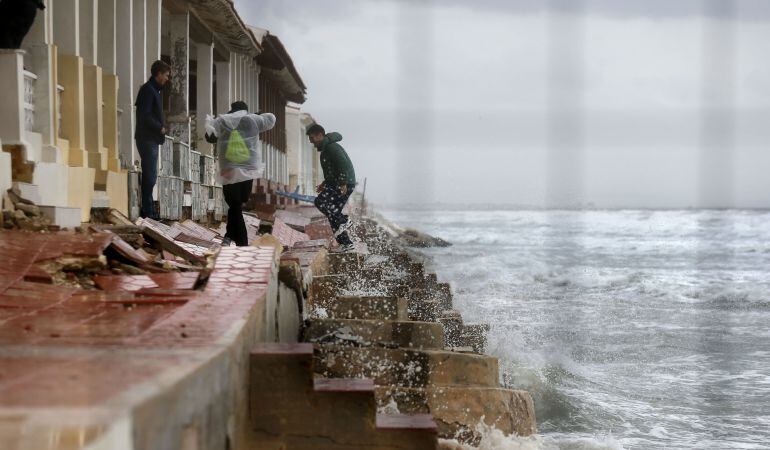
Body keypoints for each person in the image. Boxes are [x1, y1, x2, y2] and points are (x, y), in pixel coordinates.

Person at [205, 101, 275, 247]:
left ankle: (231, 236)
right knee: (238, 204)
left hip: (228, 170)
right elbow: (271, 119)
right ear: (246, 110)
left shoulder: (222, 121)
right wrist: (257, 115)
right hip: (248, 170)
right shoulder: (252, 120)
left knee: (234, 205)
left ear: (232, 109)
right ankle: (239, 242)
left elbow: (209, 137)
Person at [306, 123, 357, 253]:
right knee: (331, 213)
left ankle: (344, 220)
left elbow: (343, 164)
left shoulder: (332, 148)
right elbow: (331, 170)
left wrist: (343, 183)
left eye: (312, 138)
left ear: (319, 135)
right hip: (337, 183)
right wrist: (324, 183)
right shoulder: (326, 148)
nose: (311, 142)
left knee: (321, 202)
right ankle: (346, 244)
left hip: (343, 183)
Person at [134, 60, 170, 219]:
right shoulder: (148, 90)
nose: (167, 79)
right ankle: (148, 211)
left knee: (151, 175)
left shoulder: (154, 90)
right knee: (150, 175)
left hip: (151, 139)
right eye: (166, 75)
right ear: (159, 74)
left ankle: (149, 210)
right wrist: (159, 127)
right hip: (147, 138)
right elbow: (144, 115)